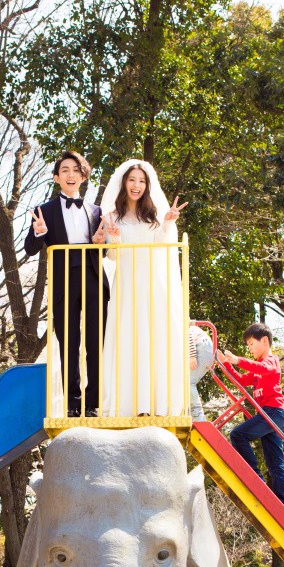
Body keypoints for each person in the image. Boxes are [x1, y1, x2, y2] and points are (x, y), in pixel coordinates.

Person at [24, 151, 108, 417]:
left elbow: (103, 250)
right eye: (65, 170)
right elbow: (30, 248)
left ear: (83, 176)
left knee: (96, 341)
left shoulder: (96, 210)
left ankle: (92, 403)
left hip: (94, 277)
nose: (71, 175)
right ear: (56, 177)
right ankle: (73, 402)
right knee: (68, 341)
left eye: (76, 170)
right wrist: (39, 232)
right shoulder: (44, 211)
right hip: (64, 280)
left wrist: (100, 243)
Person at [101, 160, 187, 417]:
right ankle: (128, 404)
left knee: (153, 337)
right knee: (127, 335)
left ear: (147, 185)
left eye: (141, 181)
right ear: (124, 183)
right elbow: (112, 257)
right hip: (126, 283)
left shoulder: (154, 215)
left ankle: (154, 404)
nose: (136, 185)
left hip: (152, 282)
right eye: (132, 180)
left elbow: (160, 247)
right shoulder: (112, 217)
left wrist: (168, 222)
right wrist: (114, 239)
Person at [219, 323, 284, 510]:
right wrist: (226, 363)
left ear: (264, 341)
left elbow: (264, 369)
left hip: (274, 412)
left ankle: (256, 479)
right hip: (270, 415)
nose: (249, 348)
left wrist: (237, 360)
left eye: (251, 344)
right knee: (275, 463)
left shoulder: (271, 361)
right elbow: (241, 379)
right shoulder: (258, 370)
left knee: (238, 435)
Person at [189, 324, 215, 422]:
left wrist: (192, 356)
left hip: (201, 347)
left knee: (188, 382)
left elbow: (187, 336)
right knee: (190, 382)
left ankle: (197, 416)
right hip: (207, 349)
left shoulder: (180, 324)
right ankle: (193, 413)